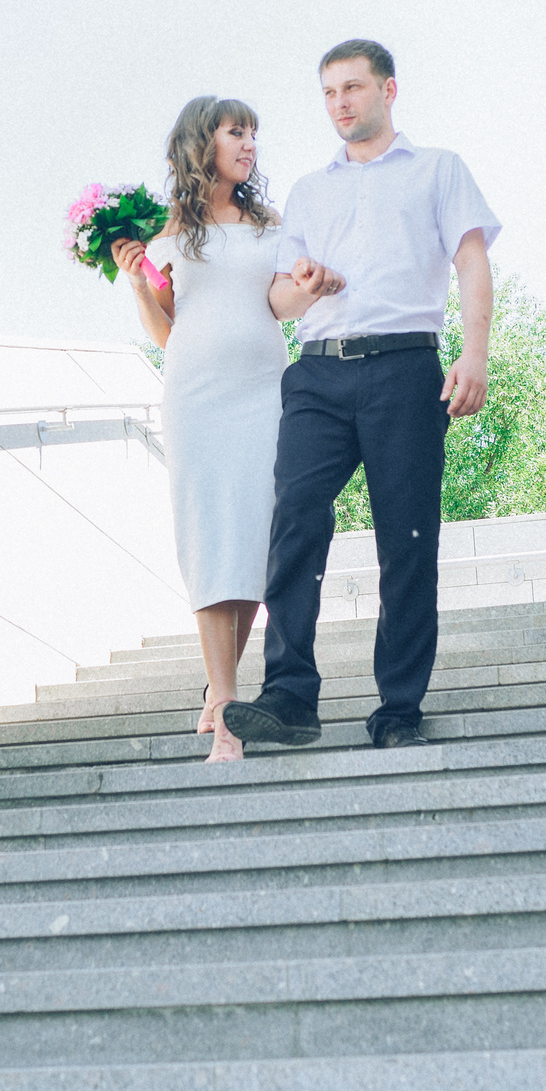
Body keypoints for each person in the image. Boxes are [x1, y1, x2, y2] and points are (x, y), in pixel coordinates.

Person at [221, 39, 498, 752]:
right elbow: (280, 300)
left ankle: (399, 706)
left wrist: (475, 353)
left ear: (388, 90)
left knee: (406, 536)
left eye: (352, 87)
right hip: (318, 371)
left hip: (405, 368)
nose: (340, 103)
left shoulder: (439, 169)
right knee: (294, 518)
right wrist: (303, 284)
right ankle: (288, 694)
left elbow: (471, 262)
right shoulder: (311, 193)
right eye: (329, 92)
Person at [112, 96, 344, 761]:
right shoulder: (168, 233)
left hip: (265, 394)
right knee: (211, 539)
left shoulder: (272, 224)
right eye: (236, 131)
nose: (249, 143)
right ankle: (227, 718)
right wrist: (137, 284)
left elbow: (282, 303)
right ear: (200, 143)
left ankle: (219, 694)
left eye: (253, 133)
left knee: (254, 544)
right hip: (197, 396)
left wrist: (311, 287)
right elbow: (167, 330)